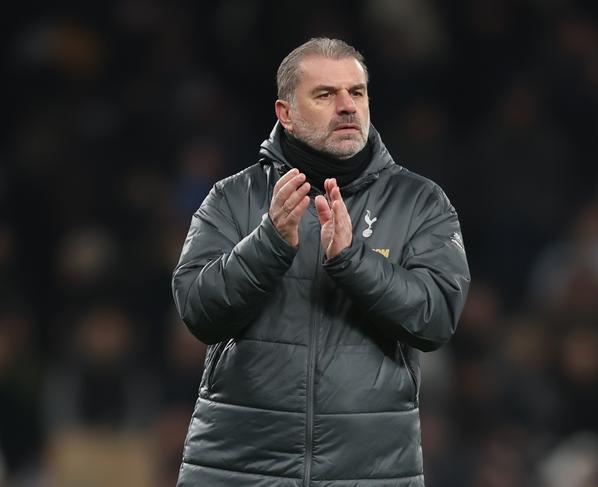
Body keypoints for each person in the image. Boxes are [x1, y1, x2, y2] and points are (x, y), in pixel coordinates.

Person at [172, 37, 470, 487]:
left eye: (357, 92)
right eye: (326, 94)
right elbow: (198, 311)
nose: (348, 106)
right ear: (285, 114)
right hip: (237, 470)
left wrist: (353, 261)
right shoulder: (233, 198)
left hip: (369, 474)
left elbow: (436, 318)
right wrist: (269, 243)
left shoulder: (420, 203)